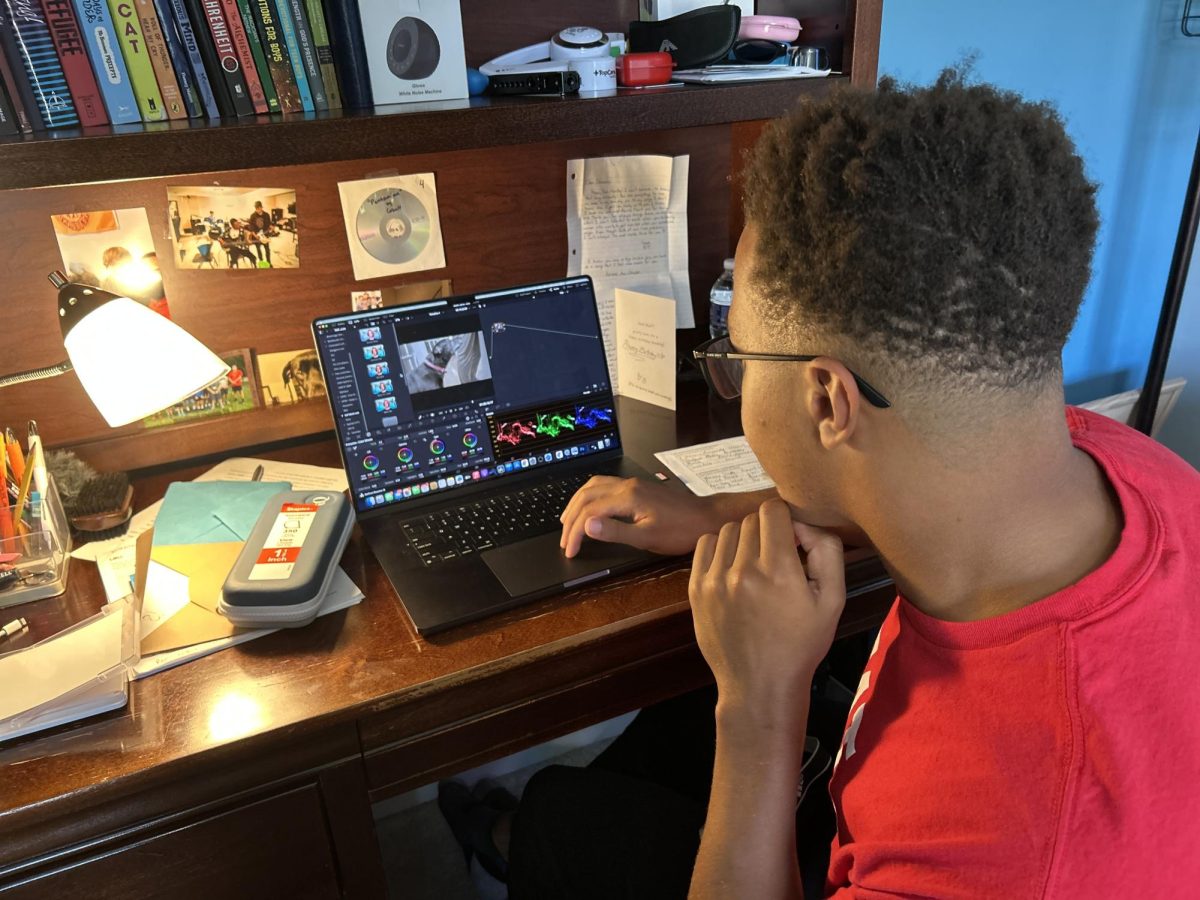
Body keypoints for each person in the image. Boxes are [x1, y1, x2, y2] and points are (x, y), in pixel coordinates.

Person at [437, 70, 1200, 898]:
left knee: (569, 818)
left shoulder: (1001, 843)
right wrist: (714, 515)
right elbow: (915, 477)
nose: (731, 382)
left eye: (733, 358)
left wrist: (762, 706)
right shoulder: (1109, 459)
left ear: (828, 398)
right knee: (668, 733)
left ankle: (513, 840)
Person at [246, 200, 273, 266]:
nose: (258, 210)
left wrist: (272, 228)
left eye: (259, 208)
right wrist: (255, 235)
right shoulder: (252, 216)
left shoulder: (266, 215)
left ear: (261, 207)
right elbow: (251, 227)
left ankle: (269, 263)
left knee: (267, 250)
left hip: (265, 235)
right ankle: (261, 262)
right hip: (256, 236)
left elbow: (269, 224)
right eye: (256, 209)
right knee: (258, 250)